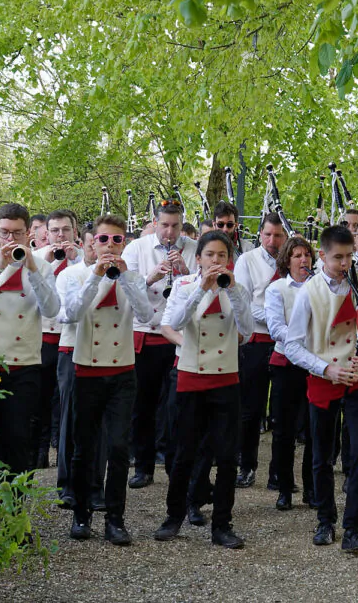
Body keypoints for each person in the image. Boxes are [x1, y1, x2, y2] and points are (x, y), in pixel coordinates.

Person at [283, 225, 358, 553]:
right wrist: (326, 368)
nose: (345, 263)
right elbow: (292, 345)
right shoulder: (308, 291)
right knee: (322, 456)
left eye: (350, 256)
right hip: (323, 378)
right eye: (338, 257)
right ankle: (324, 519)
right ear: (322, 256)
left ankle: (353, 528)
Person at [154, 230, 252, 548]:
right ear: (199, 258)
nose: (215, 261)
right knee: (183, 453)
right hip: (191, 375)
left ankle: (222, 524)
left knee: (226, 457)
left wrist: (232, 290)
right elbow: (177, 322)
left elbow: (248, 331)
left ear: (229, 260)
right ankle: (174, 516)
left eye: (221, 256)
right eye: (209, 255)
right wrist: (201, 289)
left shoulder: (237, 288)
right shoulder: (184, 285)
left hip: (226, 377)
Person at [65, 214, 152, 546]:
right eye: (104, 240)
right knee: (83, 447)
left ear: (124, 243)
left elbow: (146, 315)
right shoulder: (77, 276)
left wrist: (126, 276)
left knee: (118, 447)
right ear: (91, 242)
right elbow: (71, 314)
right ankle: (81, 513)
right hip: (86, 369)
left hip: (122, 370)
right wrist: (96, 277)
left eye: (117, 240)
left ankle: (115, 519)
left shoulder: (134, 277)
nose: (110, 246)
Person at [0, 203, 60, 479]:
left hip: (23, 365)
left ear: (28, 232)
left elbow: (53, 311)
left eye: (17, 234)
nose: (10, 240)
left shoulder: (42, 266)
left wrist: (32, 269)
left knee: (19, 440)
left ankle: (15, 509)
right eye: (5, 233)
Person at [121, 200, 195, 489]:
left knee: (175, 404)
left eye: (175, 226)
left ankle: (174, 464)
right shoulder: (137, 248)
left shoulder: (192, 246)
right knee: (144, 404)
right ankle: (143, 465)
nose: (170, 231)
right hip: (146, 333)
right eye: (165, 225)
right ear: (155, 222)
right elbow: (126, 287)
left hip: (178, 336)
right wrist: (154, 275)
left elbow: (200, 285)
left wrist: (184, 269)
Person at [233, 212, 287, 489]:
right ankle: (246, 465)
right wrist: (277, 317)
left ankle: (279, 474)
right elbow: (244, 304)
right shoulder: (247, 260)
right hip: (256, 340)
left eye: (278, 235)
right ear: (260, 234)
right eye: (267, 234)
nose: (272, 240)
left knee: (281, 410)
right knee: (250, 409)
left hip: (286, 344)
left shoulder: (294, 260)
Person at [54, 222, 105, 510]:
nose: (95, 249)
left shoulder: (118, 274)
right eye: (90, 244)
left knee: (101, 425)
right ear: (85, 244)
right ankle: (68, 485)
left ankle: (96, 486)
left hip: (104, 353)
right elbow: (66, 314)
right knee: (70, 419)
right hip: (72, 349)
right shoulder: (71, 274)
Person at [265, 235, 316, 511]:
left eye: (306, 254)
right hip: (286, 365)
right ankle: (284, 488)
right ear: (287, 260)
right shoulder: (276, 290)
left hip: (315, 367)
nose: (303, 259)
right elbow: (276, 328)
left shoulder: (321, 288)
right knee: (284, 430)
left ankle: (312, 489)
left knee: (313, 429)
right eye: (297, 255)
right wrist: (303, 343)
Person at [33, 209, 82, 469]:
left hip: (71, 339)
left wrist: (74, 260)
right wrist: (51, 262)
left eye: (65, 230)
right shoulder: (37, 258)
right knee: (40, 397)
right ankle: (40, 452)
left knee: (66, 400)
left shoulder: (83, 260)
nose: (60, 235)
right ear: (45, 233)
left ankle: (65, 450)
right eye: (54, 230)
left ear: (74, 231)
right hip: (42, 336)